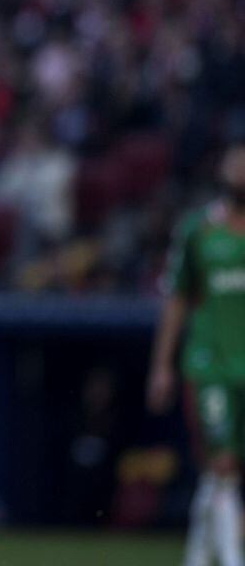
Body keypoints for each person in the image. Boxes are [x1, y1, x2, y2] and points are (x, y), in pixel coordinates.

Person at [148, 144, 245, 566]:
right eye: (236, 162)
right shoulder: (199, 229)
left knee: (223, 475)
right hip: (211, 365)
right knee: (222, 462)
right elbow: (176, 300)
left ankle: (196, 554)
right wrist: (162, 366)